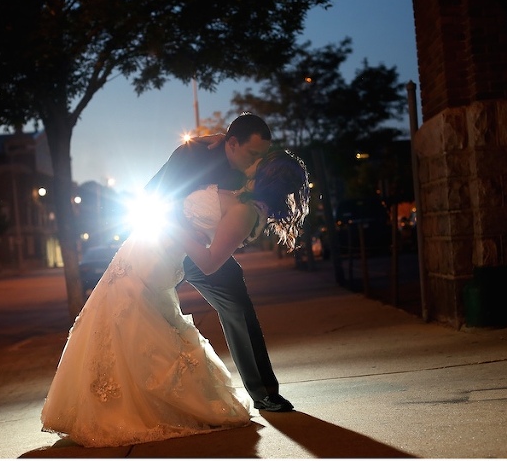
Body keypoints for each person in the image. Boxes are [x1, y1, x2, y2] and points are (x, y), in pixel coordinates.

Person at [40, 148, 310, 448]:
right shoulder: (238, 193)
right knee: (112, 320)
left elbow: (209, 262)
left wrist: (172, 223)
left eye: (262, 159)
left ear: (266, 173)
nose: (255, 158)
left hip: (156, 261)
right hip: (140, 251)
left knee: (130, 320)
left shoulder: (246, 212)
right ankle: (107, 401)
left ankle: (134, 406)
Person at [145, 113, 296, 412]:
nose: (257, 161)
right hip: (165, 244)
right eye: (253, 153)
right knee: (141, 315)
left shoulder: (247, 174)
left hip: (205, 251)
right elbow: (153, 196)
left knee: (238, 303)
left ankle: (264, 392)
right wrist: (182, 231)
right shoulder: (194, 155)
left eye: (262, 155)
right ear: (232, 143)